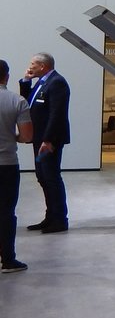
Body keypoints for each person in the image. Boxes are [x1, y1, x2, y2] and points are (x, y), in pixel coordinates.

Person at [20, 52, 71, 234]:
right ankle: (50, 217)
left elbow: (57, 114)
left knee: (51, 178)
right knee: (43, 178)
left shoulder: (57, 83)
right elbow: (28, 103)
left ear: (43, 66)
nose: (30, 66)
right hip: (39, 139)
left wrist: (48, 140)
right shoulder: (42, 82)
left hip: (49, 141)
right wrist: (26, 81)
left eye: (33, 63)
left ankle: (60, 220)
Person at [1, 59, 34, 272]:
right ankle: (8, 259)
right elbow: (27, 136)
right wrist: (12, 137)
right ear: (7, 76)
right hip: (6, 165)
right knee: (5, 212)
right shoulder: (17, 101)